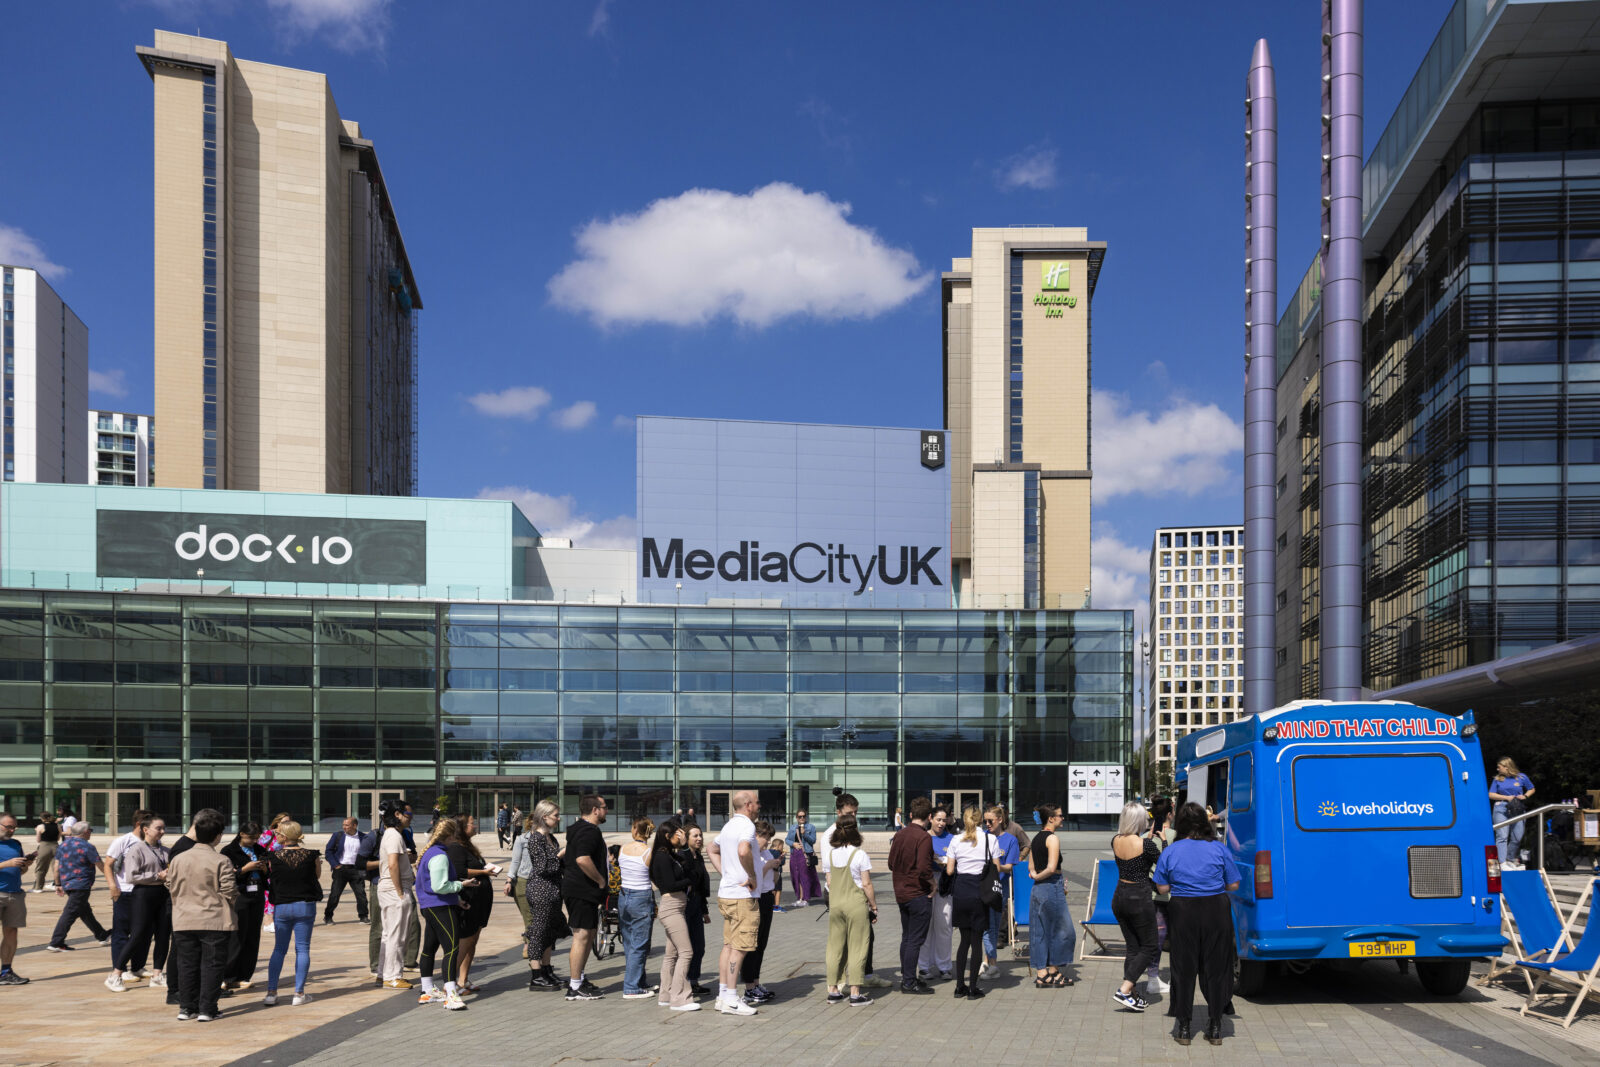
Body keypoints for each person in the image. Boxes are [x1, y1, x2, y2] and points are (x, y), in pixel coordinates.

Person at [1152, 802, 1240, 1047]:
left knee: (1183, 967)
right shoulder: (1219, 849)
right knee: (1216, 967)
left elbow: (1162, 887)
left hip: (1183, 910)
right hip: (1215, 910)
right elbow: (1233, 885)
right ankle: (1214, 1026)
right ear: (1204, 822)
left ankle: (1183, 1026)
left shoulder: (1172, 850)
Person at [167, 808, 237, 1021]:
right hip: (213, 919)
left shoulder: (179, 858)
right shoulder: (221, 860)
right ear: (218, 836)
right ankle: (207, 1008)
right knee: (212, 965)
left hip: (184, 918)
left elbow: (169, 883)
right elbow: (229, 890)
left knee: (186, 964)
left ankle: (187, 1007)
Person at [818, 792, 892, 989]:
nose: (853, 817)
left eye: (856, 813)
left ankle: (860, 977)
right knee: (843, 941)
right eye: (849, 813)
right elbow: (830, 874)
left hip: (848, 893)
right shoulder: (829, 836)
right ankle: (842, 983)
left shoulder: (846, 833)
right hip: (842, 893)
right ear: (838, 812)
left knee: (860, 937)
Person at [707, 789, 761, 1016]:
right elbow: (743, 849)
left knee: (729, 945)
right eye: (757, 803)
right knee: (739, 948)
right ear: (748, 805)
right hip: (741, 898)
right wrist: (752, 876)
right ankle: (730, 998)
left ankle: (722, 995)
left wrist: (726, 872)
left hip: (727, 894)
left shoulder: (729, 825)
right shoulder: (747, 826)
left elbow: (711, 848)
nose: (759, 807)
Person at [1107, 801, 1162, 1010]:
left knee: (1133, 947)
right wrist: (1162, 842)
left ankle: (1132, 993)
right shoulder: (1146, 845)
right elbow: (1164, 864)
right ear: (1139, 820)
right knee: (1149, 946)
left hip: (1119, 894)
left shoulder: (1115, 840)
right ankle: (1124, 989)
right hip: (1139, 895)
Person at [106, 814, 170, 993]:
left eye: (164, 828)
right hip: (143, 894)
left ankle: (157, 974)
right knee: (138, 934)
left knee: (163, 935)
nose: (162, 832)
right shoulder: (137, 849)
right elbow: (131, 876)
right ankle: (116, 974)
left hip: (162, 894)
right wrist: (157, 876)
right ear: (145, 829)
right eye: (158, 828)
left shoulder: (166, 850)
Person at [414, 817, 472, 1011]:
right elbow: (439, 886)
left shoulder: (430, 852)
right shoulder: (439, 855)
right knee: (451, 949)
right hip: (440, 906)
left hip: (430, 906)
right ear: (451, 835)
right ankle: (451, 993)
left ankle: (427, 990)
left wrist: (456, 899)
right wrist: (461, 885)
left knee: (429, 947)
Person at [262, 821, 321, 1006]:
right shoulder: (311, 855)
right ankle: (299, 993)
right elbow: (316, 876)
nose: (276, 836)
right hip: (304, 904)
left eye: (278, 833)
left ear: (285, 837)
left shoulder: (273, 856)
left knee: (279, 949)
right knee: (302, 948)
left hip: (283, 906)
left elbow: (271, 877)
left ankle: (271, 992)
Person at [823, 813, 878, 1007]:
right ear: (856, 830)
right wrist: (873, 906)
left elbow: (829, 882)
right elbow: (867, 884)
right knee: (858, 947)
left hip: (836, 904)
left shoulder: (831, 854)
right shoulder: (859, 854)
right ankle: (855, 993)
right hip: (855, 904)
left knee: (835, 947)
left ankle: (833, 990)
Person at [561, 794, 610, 1001]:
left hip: (582, 892)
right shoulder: (588, 831)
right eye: (604, 807)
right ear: (595, 810)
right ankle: (574, 986)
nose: (606, 811)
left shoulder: (580, 829)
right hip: (582, 891)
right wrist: (600, 880)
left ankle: (579, 978)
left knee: (588, 935)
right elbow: (582, 859)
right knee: (581, 936)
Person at [943, 806, 994, 999]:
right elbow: (995, 866)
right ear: (981, 820)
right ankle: (973, 988)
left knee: (964, 940)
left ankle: (959, 986)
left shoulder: (956, 839)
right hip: (980, 889)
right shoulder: (990, 839)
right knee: (977, 940)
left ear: (964, 820)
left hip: (961, 890)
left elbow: (949, 871)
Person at [888, 797, 936, 995]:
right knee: (915, 939)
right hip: (917, 893)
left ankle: (908, 976)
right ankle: (908, 981)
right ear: (930, 817)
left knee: (907, 937)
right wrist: (933, 884)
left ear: (910, 815)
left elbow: (891, 863)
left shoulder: (900, 835)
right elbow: (925, 869)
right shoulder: (924, 837)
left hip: (901, 892)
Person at [649, 818, 698, 1011]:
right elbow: (668, 885)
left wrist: (685, 849)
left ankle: (666, 995)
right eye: (679, 835)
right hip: (671, 906)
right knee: (687, 952)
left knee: (672, 954)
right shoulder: (661, 857)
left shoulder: (671, 855)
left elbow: (692, 871)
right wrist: (687, 882)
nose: (682, 838)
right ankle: (679, 998)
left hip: (677, 905)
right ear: (668, 836)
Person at [519, 799, 568, 991]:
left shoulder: (551, 838)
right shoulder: (535, 839)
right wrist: (561, 854)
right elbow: (542, 867)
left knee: (550, 931)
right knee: (539, 931)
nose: (558, 819)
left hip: (553, 889)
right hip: (541, 889)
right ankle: (536, 975)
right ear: (544, 816)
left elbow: (557, 866)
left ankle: (547, 970)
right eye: (555, 815)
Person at [1028, 802, 1076, 989]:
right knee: (1064, 931)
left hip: (1038, 889)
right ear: (1051, 818)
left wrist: (1035, 876)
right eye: (1060, 815)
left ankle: (1044, 973)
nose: (1062, 818)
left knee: (1040, 931)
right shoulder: (1052, 838)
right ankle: (1053, 969)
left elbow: (1031, 866)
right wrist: (1040, 877)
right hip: (1050, 885)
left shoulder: (1036, 838)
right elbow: (1051, 867)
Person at [103, 808, 154, 984]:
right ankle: (121, 968)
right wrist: (113, 886)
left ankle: (138, 966)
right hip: (124, 891)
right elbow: (107, 865)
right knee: (122, 932)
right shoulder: (123, 841)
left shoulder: (151, 843)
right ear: (140, 824)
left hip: (145, 892)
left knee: (144, 932)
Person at [738, 819, 784, 1004]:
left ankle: (756, 983)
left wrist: (776, 866)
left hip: (766, 897)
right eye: (765, 837)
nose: (767, 841)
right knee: (752, 945)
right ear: (756, 836)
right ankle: (749, 986)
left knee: (762, 943)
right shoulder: (752, 853)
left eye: (769, 837)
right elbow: (752, 877)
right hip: (754, 898)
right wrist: (767, 866)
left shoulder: (765, 853)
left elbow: (772, 880)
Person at [450, 814, 497, 993]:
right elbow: (460, 870)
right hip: (468, 899)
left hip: (479, 899)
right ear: (462, 827)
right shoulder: (455, 847)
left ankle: (463, 979)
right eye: (472, 823)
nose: (475, 825)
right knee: (465, 939)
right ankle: (450, 981)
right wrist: (484, 872)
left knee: (473, 940)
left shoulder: (468, 846)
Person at [47, 820, 110, 951]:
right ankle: (56, 942)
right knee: (70, 913)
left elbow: (56, 866)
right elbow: (99, 864)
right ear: (86, 832)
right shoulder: (87, 847)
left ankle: (102, 935)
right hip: (81, 884)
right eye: (90, 831)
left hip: (67, 883)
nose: (91, 833)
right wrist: (112, 879)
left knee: (84, 911)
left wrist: (57, 883)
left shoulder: (63, 845)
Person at [374, 801, 417, 991]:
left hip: (390, 889)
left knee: (389, 934)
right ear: (398, 815)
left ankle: (384, 973)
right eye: (408, 815)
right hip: (394, 890)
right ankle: (393, 976)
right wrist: (400, 891)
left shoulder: (392, 835)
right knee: (397, 935)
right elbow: (392, 864)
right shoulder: (393, 836)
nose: (410, 818)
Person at [221, 822, 268, 990]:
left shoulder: (260, 850)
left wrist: (264, 869)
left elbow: (268, 873)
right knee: (236, 936)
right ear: (241, 834)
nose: (253, 841)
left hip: (257, 894)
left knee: (252, 936)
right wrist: (244, 869)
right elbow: (225, 876)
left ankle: (244, 974)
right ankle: (228, 975)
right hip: (239, 895)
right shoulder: (228, 851)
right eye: (250, 838)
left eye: (256, 838)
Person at [617, 815, 658, 1000]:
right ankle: (632, 987)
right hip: (641, 896)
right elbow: (653, 877)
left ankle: (639, 980)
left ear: (635, 829)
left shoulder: (623, 849)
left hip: (624, 895)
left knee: (629, 941)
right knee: (640, 943)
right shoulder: (648, 852)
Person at [980, 804, 1020, 973]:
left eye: (991, 821)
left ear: (1000, 820)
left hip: (999, 888)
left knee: (994, 924)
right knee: (985, 924)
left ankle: (990, 961)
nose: (987, 824)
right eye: (985, 821)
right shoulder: (982, 837)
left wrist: (996, 867)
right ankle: (988, 960)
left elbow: (1010, 866)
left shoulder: (1010, 840)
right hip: (981, 887)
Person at [918, 806, 955, 982]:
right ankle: (924, 967)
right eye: (938, 819)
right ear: (930, 818)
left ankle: (944, 966)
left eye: (944, 820)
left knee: (944, 925)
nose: (941, 823)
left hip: (945, 884)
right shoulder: (923, 837)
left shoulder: (952, 839)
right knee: (926, 926)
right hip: (925, 884)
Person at [0, 811, 35, 984]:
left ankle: (6, 971)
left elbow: (19, 870)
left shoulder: (15, 844)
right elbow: (8, 865)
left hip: (15, 894)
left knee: (11, 932)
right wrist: (6, 864)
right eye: (8, 827)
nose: (12, 830)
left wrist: (25, 865)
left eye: (14, 827)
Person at [1145, 798, 1174, 994]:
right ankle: (1158, 979)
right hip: (1171, 895)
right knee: (1167, 936)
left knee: (1155, 936)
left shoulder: (1144, 837)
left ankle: (1152, 975)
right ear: (1170, 813)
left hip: (1149, 893)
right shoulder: (1176, 836)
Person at [1489, 757, 1536, 871]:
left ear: (1506, 767)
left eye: (1499, 767)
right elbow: (1491, 794)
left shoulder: (1521, 777)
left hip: (1517, 808)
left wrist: (1525, 796)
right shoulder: (1497, 779)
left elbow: (1532, 788)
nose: (1497, 769)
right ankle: (1502, 862)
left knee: (1517, 836)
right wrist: (1506, 797)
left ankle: (1510, 859)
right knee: (1502, 836)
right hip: (1501, 807)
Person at [682, 824, 711, 999]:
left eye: (700, 835)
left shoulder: (698, 856)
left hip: (696, 906)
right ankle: (682, 983)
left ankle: (693, 981)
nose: (699, 838)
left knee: (699, 947)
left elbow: (700, 886)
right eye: (695, 836)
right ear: (686, 838)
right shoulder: (682, 856)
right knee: (684, 948)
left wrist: (704, 910)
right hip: (683, 906)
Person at [322, 817, 369, 925]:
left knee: (361, 894)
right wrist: (335, 865)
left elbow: (367, 852)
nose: (344, 827)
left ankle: (363, 916)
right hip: (341, 869)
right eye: (343, 825)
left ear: (354, 825)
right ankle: (328, 916)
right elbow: (328, 851)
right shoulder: (337, 836)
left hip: (356, 870)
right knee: (335, 894)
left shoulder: (363, 837)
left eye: (347, 825)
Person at [787, 808, 819, 906]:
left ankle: (805, 898)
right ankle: (799, 898)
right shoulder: (792, 827)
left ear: (806, 817)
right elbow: (787, 839)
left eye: (804, 816)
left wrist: (804, 834)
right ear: (796, 818)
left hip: (806, 853)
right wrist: (793, 844)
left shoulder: (811, 827)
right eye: (800, 816)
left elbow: (813, 841)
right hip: (794, 853)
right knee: (795, 876)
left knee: (805, 876)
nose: (802, 818)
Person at [31, 811, 60, 892]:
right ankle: (57, 885)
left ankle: (38, 888)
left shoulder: (40, 826)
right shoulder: (58, 826)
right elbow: (58, 838)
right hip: (56, 846)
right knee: (56, 867)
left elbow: (38, 840)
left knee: (41, 868)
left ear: (42, 818)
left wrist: (37, 831)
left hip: (44, 846)